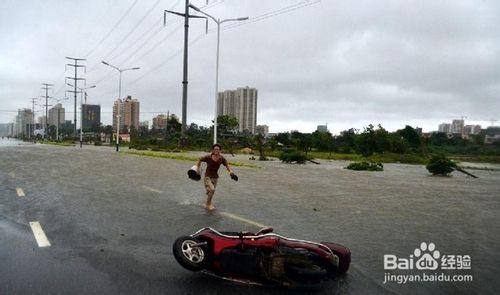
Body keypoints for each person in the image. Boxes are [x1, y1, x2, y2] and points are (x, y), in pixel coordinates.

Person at [195, 144, 234, 211]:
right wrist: (197, 168)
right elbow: (200, 159)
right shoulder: (208, 157)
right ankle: (208, 204)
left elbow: (227, 165)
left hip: (215, 177)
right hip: (207, 176)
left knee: (211, 192)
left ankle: (207, 200)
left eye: (218, 149)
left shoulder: (221, 159)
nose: (216, 150)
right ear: (213, 150)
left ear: (220, 150)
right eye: (215, 149)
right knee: (212, 189)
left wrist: (231, 172)